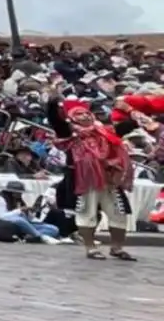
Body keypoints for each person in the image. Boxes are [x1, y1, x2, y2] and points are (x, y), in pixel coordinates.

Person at [48, 92, 138, 261]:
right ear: (71, 118)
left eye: (85, 113)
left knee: (119, 213)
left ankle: (117, 247)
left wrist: (134, 115)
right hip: (85, 180)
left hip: (110, 178)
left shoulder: (104, 131)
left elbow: (122, 129)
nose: (83, 116)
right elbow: (56, 121)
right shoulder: (68, 134)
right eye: (78, 114)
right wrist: (53, 106)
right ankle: (90, 247)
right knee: (86, 213)